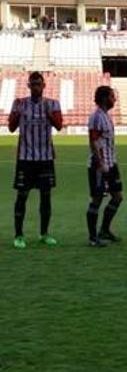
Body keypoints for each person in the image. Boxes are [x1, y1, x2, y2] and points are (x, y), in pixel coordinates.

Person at [8, 72, 63, 249]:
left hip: (45, 158)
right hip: (26, 157)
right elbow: (11, 127)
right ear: (28, 86)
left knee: (46, 197)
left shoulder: (53, 104)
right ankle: (18, 235)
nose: (36, 87)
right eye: (33, 84)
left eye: (39, 84)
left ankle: (44, 233)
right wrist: (16, 112)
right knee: (22, 196)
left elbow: (59, 125)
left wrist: (49, 114)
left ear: (44, 85)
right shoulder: (20, 103)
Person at [86, 86, 123, 247]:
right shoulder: (96, 116)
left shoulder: (106, 116)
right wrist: (100, 163)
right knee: (97, 199)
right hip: (99, 165)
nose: (114, 99)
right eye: (112, 96)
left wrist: (111, 162)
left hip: (111, 163)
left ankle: (104, 230)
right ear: (104, 98)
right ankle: (93, 237)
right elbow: (93, 141)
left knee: (117, 197)